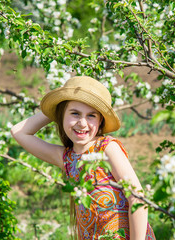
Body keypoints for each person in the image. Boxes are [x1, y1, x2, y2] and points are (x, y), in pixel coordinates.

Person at [11, 76, 156, 240]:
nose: (82, 123)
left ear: (100, 120)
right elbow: (19, 132)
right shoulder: (66, 158)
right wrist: (56, 109)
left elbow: (137, 199)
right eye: (75, 113)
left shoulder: (107, 148)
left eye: (91, 116)